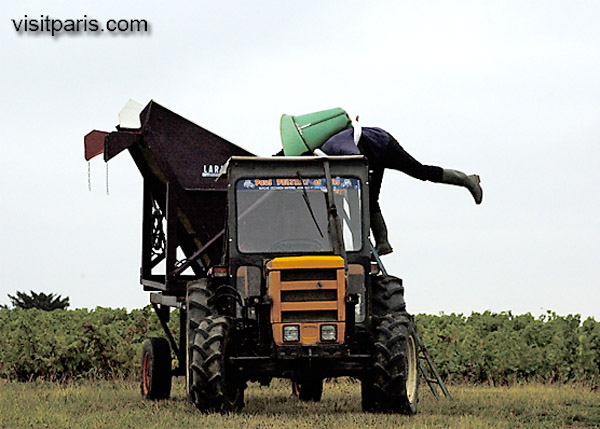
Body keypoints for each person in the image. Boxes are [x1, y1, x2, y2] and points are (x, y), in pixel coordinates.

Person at [317, 125, 483, 256]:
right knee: (369, 199)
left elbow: (357, 161)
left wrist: (345, 187)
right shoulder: (329, 159)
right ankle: (383, 243)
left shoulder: (337, 147)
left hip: (383, 145)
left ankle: (466, 180)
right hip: (371, 156)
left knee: (420, 171)